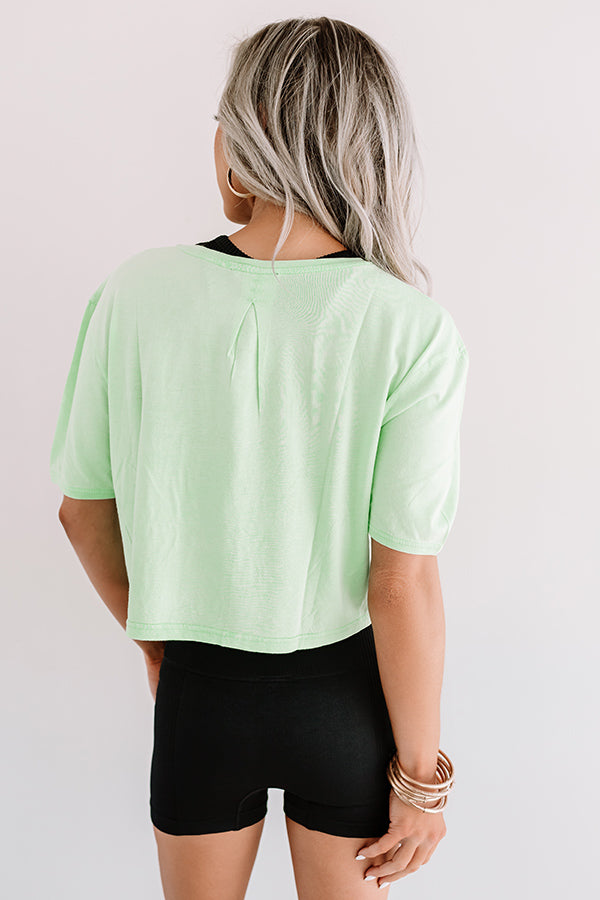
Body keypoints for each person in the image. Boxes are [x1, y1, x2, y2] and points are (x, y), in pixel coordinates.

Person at [49, 16, 469, 900]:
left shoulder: (136, 292)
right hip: (343, 704)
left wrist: (157, 643)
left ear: (245, 140)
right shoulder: (409, 326)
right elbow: (401, 582)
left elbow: (82, 512)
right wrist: (421, 779)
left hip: (200, 696)